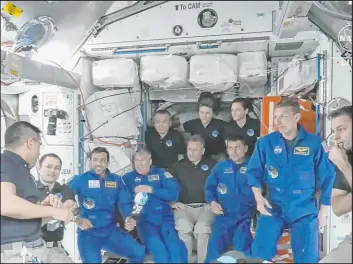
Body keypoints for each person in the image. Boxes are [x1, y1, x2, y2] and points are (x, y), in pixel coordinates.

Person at [245, 97, 336, 263]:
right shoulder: (266, 143)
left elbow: (328, 176)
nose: (278, 121)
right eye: (276, 117)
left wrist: (324, 210)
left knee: (307, 258)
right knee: (258, 253)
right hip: (273, 205)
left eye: (283, 116)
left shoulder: (314, 144)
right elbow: (253, 172)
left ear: (296, 117)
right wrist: (258, 198)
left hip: (304, 208)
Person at [1, 121, 75, 263]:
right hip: (16, 252)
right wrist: (52, 212)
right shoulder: (4, 163)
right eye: (39, 145)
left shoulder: (25, 172)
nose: (40, 151)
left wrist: (47, 208)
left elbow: (29, 219)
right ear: (30, 142)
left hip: (37, 247)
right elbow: (6, 204)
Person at [67, 147, 146, 263]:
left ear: (108, 163)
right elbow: (65, 197)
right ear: (90, 161)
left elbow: (126, 202)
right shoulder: (80, 180)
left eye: (102, 160)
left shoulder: (116, 180)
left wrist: (129, 218)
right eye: (95, 160)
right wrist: (77, 219)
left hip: (110, 231)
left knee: (139, 252)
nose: (98, 163)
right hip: (88, 234)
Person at [123, 148, 188, 263]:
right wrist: (129, 218)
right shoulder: (128, 178)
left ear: (150, 161)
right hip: (144, 221)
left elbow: (174, 193)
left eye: (143, 160)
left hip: (164, 218)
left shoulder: (161, 173)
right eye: (137, 160)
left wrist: (151, 189)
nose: (139, 163)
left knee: (175, 246)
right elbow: (122, 200)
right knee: (158, 249)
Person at [204, 135, 256, 263]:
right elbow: (209, 188)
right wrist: (212, 202)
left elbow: (265, 190)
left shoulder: (254, 167)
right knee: (213, 249)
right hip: (223, 217)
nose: (234, 151)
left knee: (241, 250)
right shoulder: (220, 168)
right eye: (230, 148)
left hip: (245, 218)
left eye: (237, 147)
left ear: (245, 148)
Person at [170, 135, 216, 263]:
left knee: (202, 229)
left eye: (195, 150)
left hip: (206, 207)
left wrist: (214, 201)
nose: (191, 152)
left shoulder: (213, 165)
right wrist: (172, 203)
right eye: (189, 149)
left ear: (203, 151)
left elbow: (221, 186)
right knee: (183, 227)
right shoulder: (177, 166)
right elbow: (166, 187)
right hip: (183, 207)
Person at [320, 106, 352, 263]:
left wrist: (344, 165)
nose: (336, 137)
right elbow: (338, 207)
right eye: (334, 130)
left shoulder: (344, 160)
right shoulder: (347, 155)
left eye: (342, 129)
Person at [36, 153, 77, 251]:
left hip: (55, 247)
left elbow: (75, 213)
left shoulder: (65, 189)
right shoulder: (29, 189)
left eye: (57, 168)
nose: (53, 171)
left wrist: (72, 210)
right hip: (32, 248)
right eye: (49, 167)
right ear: (39, 168)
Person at [183, 92, 227, 160]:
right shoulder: (191, 124)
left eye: (207, 113)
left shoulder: (222, 125)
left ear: (213, 113)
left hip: (216, 157)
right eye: (201, 112)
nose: (204, 116)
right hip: (197, 156)